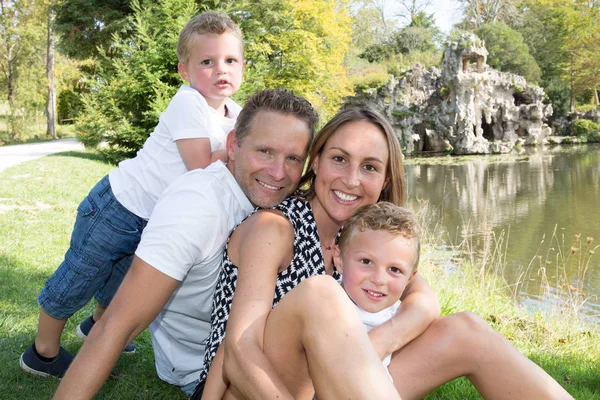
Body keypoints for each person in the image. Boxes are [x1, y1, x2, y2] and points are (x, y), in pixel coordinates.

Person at [195, 107, 573, 400]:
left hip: (328, 385)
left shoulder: (364, 235)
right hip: (252, 388)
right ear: (317, 161)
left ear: (385, 180)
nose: (351, 179)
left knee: (466, 330)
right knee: (321, 293)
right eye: (339, 159)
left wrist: (380, 342)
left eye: (370, 167)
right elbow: (239, 351)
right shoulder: (274, 227)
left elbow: (424, 300)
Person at [19, 10, 245, 379]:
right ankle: (42, 353)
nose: (221, 69)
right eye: (207, 61)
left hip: (151, 219)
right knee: (80, 276)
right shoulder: (188, 102)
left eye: (230, 60)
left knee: (123, 281)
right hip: (119, 207)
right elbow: (200, 165)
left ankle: (96, 328)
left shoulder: (234, 114)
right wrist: (239, 150)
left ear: (242, 65)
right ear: (184, 71)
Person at [53, 88, 319, 398]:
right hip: (208, 370)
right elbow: (116, 326)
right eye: (264, 152)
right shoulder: (197, 206)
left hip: (271, 348)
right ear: (233, 145)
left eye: (293, 159)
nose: (278, 172)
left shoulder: (280, 205)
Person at [334, 202, 421, 376]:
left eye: (394, 270)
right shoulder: (329, 308)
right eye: (366, 262)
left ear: (409, 279)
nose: (379, 279)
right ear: (339, 260)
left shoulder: (397, 315)